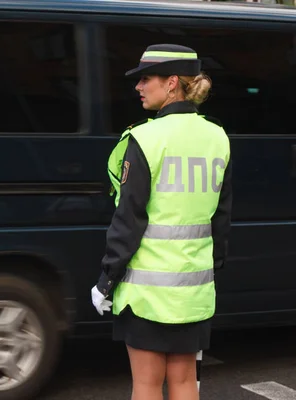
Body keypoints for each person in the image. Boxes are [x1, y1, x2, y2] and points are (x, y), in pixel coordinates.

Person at [91, 44, 233, 400]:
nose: (139, 87)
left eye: (145, 79)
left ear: (172, 83)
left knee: (147, 383)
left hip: (146, 294)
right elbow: (221, 220)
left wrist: (106, 281)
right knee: (185, 382)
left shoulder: (145, 138)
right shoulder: (218, 137)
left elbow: (129, 220)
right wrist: (208, 271)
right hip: (193, 292)